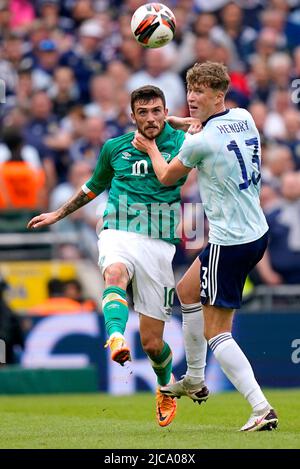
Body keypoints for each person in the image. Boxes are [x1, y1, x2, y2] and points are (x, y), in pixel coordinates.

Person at [27, 85, 195, 427]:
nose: (150, 118)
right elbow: (93, 186)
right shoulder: (114, 148)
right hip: (118, 229)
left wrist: (176, 125)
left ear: (166, 112)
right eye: (143, 112)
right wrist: (58, 214)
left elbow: (207, 127)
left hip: (159, 243)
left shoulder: (181, 143)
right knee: (114, 274)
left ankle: (165, 385)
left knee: (151, 343)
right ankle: (115, 335)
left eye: (157, 111)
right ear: (131, 116)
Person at [133, 62, 279, 432]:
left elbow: (167, 174)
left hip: (228, 242)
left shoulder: (201, 141)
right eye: (191, 89)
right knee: (186, 289)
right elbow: (204, 127)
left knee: (217, 332)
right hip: (255, 231)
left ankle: (260, 407)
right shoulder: (244, 117)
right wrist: (180, 122)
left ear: (219, 95)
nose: (193, 97)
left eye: (201, 91)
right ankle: (195, 379)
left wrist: (150, 146)